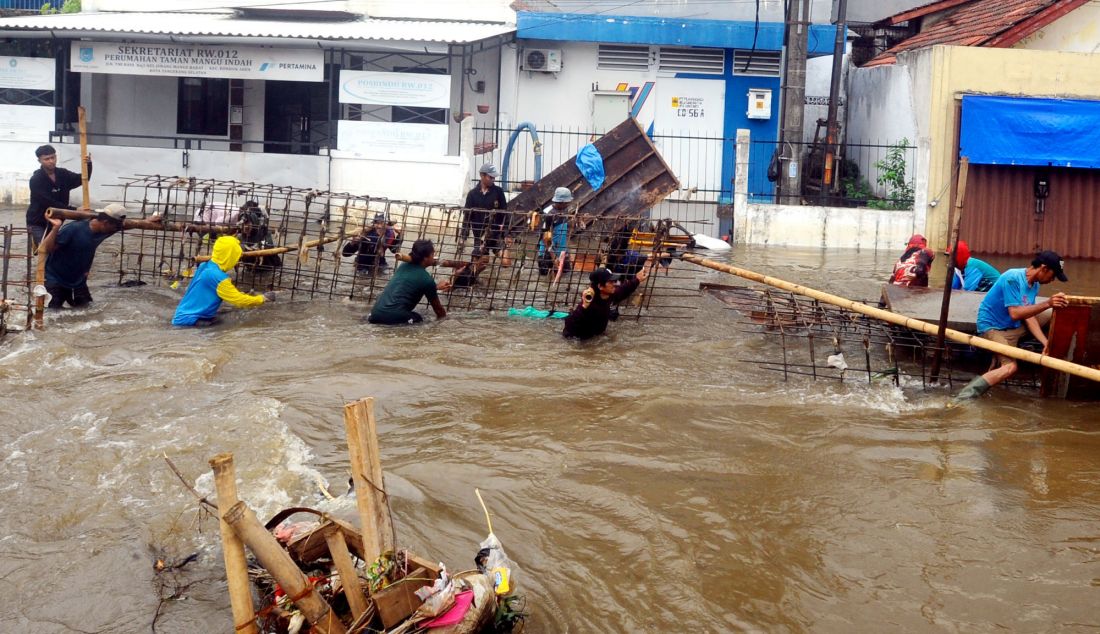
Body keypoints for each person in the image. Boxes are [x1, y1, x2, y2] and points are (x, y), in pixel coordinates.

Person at [953, 250, 1070, 401]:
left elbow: (1029, 317)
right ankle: (964, 397)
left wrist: (1045, 343)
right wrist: (1047, 303)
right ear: (1044, 268)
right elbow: (1015, 313)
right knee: (1010, 367)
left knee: (1053, 313)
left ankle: (1048, 352)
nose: (1052, 280)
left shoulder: (1034, 285)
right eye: (1053, 276)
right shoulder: (1013, 278)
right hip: (992, 327)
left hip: (1013, 326)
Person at [172, 235, 274, 327]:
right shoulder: (219, 278)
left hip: (181, 317)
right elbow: (239, 301)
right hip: (191, 322)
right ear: (230, 256)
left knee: (230, 313)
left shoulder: (205, 265)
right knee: (236, 320)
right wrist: (262, 298)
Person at [40, 203, 124, 309]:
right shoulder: (73, 229)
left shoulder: (105, 230)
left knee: (87, 311)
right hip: (56, 279)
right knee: (52, 314)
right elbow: (45, 249)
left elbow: (129, 225)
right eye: (115, 227)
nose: (115, 230)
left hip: (78, 282)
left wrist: (150, 220)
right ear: (105, 223)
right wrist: (55, 228)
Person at [367, 239, 448, 325]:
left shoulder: (403, 266)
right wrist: (447, 321)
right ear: (425, 258)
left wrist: (434, 287)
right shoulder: (427, 279)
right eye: (432, 254)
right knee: (419, 319)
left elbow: (410, 286)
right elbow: (439, 311)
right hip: (392, 317)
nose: (434, 257)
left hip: (374, 315)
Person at [563, 263, 652, 340]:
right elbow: (569, 326)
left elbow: (623, 290)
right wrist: (584, 307)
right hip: (580, 341)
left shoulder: (609, 295)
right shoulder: (589, 300)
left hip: (597, 337)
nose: (614, 284)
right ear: (600, 286)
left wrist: (637, 279)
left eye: (614, 281)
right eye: (610, 282)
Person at [27, 144, 92, 247]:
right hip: (38, 221)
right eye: (46, 159)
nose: (51, 161)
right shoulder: (36, 180)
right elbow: (48, 202)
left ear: (56, 157)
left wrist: (88, 165)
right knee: (44, 249)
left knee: (57, 249)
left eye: (53, 157)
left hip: (57, 220)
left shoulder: (63, 174)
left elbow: (83, 179)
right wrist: (74, 210)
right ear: (39, 161)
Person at [461, 163, 508, 257]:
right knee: (480, 262)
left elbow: (505, 213)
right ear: (482, 175)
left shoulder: (498, 192)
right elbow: (467, 217)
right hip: (479, 237)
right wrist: (463, 237)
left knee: (506, 261)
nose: (493, 179)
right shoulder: (472, 194)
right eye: (490, 177)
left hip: (496, 235)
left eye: (494, 177)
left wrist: (507, 234)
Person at [537, 187, 573, 277]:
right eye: (567, 202)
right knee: (546, 280)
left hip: (561, 251)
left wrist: (566, 251)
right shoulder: (549, 215)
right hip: (548, 253)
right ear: (561, 202)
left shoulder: (564, 210)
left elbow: (562, 230)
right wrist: (554, 258)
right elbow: (545, 238)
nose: (568, 204)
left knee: (566, 276)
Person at [237, 200, 281, 268]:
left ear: (254, 222)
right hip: (251, 268)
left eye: (248, 223)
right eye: (243, 224)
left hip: (269, 268)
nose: (245, 226)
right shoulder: (240, 237)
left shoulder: (264, 233)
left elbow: (269, 249)